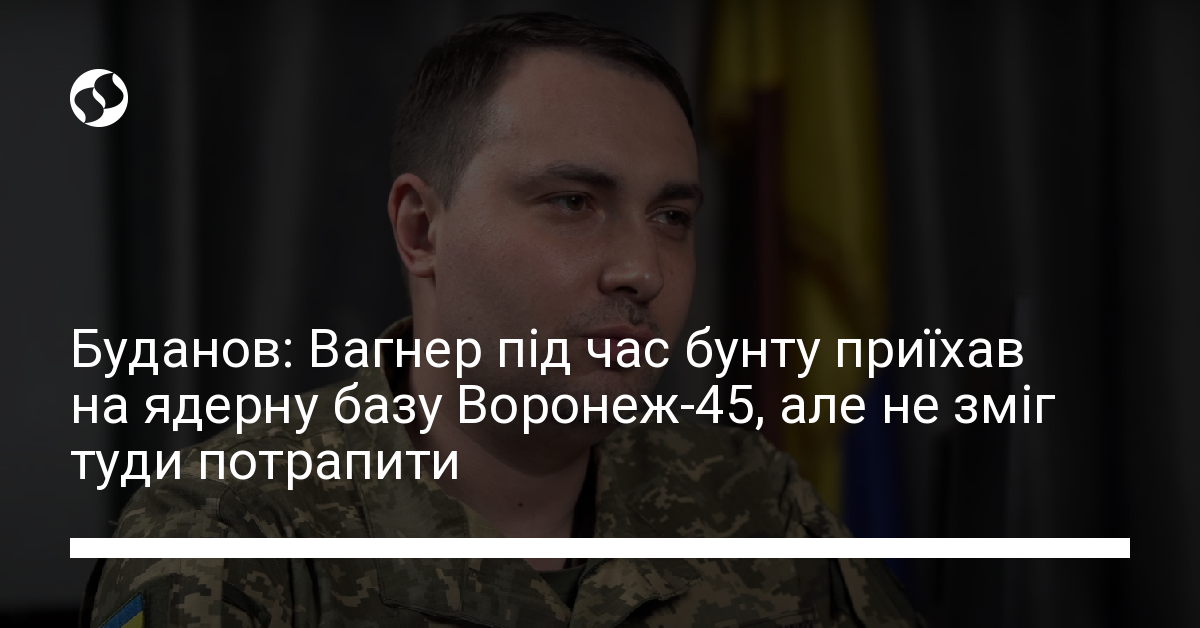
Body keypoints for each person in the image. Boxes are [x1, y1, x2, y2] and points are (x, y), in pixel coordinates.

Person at [84, 12, 922, 628]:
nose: (643, 269)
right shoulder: (230, 536)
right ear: (423, 231)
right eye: (573, 202)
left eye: (672, 217)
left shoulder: (750, 499)